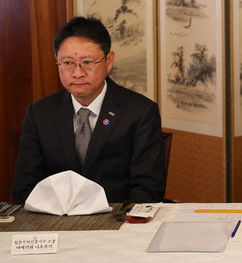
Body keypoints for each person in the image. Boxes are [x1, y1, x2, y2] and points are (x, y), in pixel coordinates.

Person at [13, 16, 165, 204]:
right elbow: (24, 188)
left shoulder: (140, 112)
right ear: (57, 61)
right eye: (67, 63)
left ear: (108, 61)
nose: (77, 73)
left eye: (87, 62)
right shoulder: (39, 113)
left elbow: (147, 192)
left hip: (116, 219)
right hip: (55, 218)